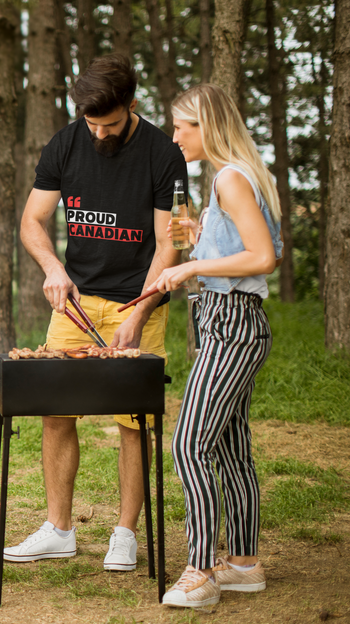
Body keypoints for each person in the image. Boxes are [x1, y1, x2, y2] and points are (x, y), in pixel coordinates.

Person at [3, 55, 187, 571]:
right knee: (56, 410)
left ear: (132, 105)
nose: (100, 134)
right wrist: (52, 267)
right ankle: (59, 529)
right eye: (92, 124)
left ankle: (125, 535)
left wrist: (143, 309)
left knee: (135, 420)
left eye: (109, 123)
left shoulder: (163, 154)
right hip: (77, 303)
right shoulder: (64, 143)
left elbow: (169, 243)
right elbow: (33, 221)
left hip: (138, 300)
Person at [147, 84, 283, 608]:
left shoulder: (229, 177)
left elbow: (263, 257)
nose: (175, 135)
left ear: (209, 126)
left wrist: (192, 265)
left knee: (188, 443)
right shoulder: (236, 176)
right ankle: (244, 564)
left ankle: (201, 571)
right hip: (233, 322)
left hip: (231, 324)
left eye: (184, 126)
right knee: (229, 449)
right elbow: (246, 248)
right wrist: (201, 239)